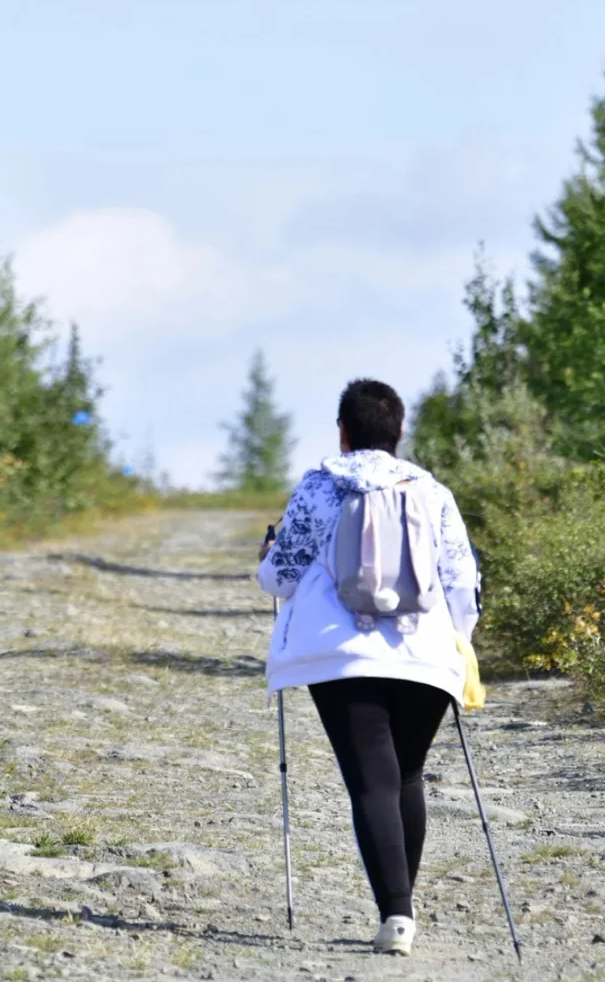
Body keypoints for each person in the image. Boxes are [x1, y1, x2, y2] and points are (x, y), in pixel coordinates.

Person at [256, 378, 480, 956]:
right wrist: (458, 641)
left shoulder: (319, 488)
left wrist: (267, 558)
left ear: (343, 431)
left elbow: (279, 577)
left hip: (340, 654)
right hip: (425, 654)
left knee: (370, 782)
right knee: (405, 776)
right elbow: (461, 582)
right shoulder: (433, 493)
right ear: (400, 432)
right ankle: (402, 904)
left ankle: (396, 915)